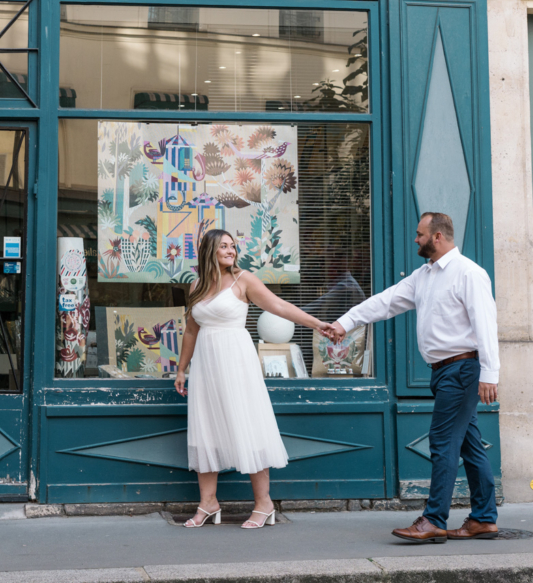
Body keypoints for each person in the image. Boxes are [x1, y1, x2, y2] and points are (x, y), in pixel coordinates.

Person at [328, 211, 499, 543]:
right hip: (443, 372)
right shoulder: (424, 276)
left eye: (420, 234)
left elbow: (485, 325)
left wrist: (490, 373)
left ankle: (434, 518)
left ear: (437, 237)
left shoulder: (469, 273)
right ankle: (484, 517)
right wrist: (344, 323)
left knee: (442, 442)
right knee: (469, 444)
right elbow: (385, 302)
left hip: (462, 368)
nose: (416, 239)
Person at [175, 229, 343, 529]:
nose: (231, 251)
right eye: (224, 246)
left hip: (237, 362)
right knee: (206, 429)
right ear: (209, 250)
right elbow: (191, 330)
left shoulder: (244, 280)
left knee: (248, 424)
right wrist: (181, 368)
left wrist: (317, 323)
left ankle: (264, 504)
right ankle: (208, 503)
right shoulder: (197, 285)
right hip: (206, 365)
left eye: (233, 246)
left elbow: (279, 306)